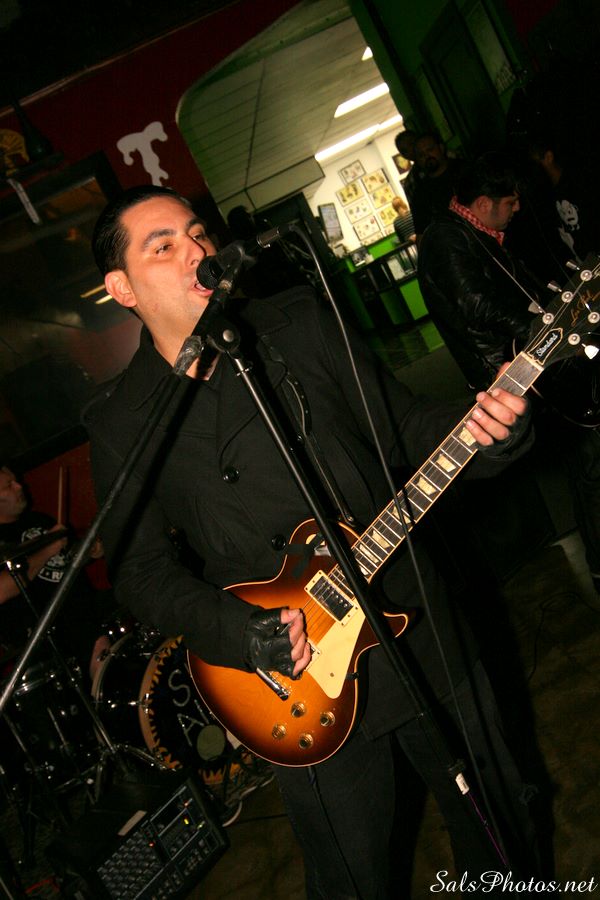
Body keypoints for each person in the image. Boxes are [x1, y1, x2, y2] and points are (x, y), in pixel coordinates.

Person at [85, 184, 542, 897]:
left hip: (415, 626)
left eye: (197, 233)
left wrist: (490, 431)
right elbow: (140, 572)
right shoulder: (123, 419)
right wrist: (242, 632)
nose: (195, 252)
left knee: (501, 830)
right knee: (350, 879)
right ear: (122, 288)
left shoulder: (297, 324)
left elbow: (404, 428)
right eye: (163, 246)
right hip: (290, 680)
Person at [418, 152, 600, 596]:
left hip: (528, 364)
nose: (517, 208)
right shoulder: (445, 238)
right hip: (511, 374)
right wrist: (547, 336)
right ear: (483, 204)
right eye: (510, 202)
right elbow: (476, 303)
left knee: (586, 460)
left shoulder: (475, 231)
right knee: (589, 458)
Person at [0, 464, 110, 679]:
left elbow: (68, 558)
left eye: (16, 480)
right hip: (46, 631)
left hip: (87, 606)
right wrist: (47, 550)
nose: (19, 486)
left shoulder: (40, 520)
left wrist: (89, 550)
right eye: (8, 485)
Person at [411, 133, 466, 242]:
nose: (427, 156)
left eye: (430, 150)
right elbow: (422, 233)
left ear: (441, 148)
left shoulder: (464, 171)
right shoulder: (420, 194)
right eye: (421, 155)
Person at [393, 129, 422, 208]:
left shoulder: (446, 159)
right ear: (403, 155)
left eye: (411, 144)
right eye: (404, 150)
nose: (410, 150)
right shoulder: (410, 182)